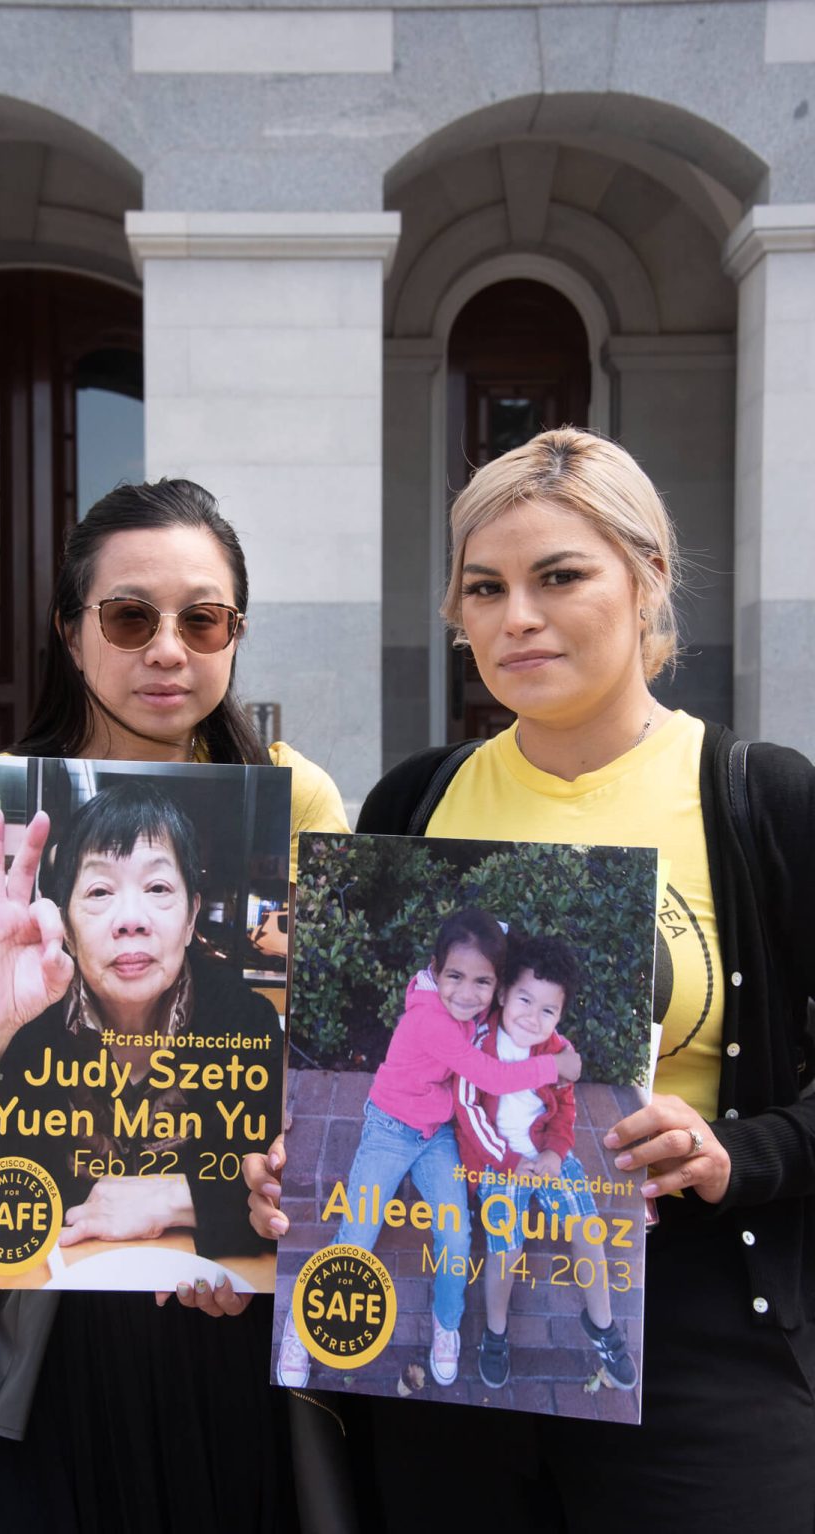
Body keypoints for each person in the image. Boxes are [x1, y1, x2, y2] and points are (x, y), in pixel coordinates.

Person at [250, 427, 815, 1534]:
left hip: (701, 1340)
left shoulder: (761, 800)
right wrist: (280, 1167)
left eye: (560, 575)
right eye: (484, 586)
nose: (517, 615)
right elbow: (364, 1071)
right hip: (444, 1363)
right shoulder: (414, 801)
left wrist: (730, 1153)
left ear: (647, 578)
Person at [0, 479, 349, 1534]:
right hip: (24, 1271)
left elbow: (319, 1084)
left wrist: (212, 1212)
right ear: (71, 631)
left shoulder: (304, 798)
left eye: (202, 618)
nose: (167, 649)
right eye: (129, 616)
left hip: (222, 1288)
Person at [0, 778, 283, 1271]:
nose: (130, 919)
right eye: (99, 891)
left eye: (158, 888)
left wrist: (178, 1199)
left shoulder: (247, 1023)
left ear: (191, 915)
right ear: (67, 925)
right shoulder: (29, 1023)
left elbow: (279, 1207)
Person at [276, 907, 582, 1392]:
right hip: (390, 1129)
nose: (467, 992)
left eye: (482, 982)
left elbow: (526, 1010)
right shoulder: (430, 1020)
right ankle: (301, 1329)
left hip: (436, 1134)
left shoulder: (479, 1002)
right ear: (434, 970)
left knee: (456, 1234)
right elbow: (490, 1076)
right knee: (358, 1232)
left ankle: (446, 1324)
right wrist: (556, 1068)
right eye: (454, 976)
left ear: (496, 986)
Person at [454, 933, 637, 1392]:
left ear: (560, 1015)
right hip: (498, 1162)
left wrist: (555, 1152)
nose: (534, 1018)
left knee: (587, 1229)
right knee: (506, 1247)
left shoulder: (558, 1050)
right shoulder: (478, 1043)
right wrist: (510, 1161)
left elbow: (566, 1109)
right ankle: (495, 1332)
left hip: (547, 1156)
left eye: (548, 1010)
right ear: (502, 994)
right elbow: (469, 1111)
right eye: (524, 1000)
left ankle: (602, 1324)